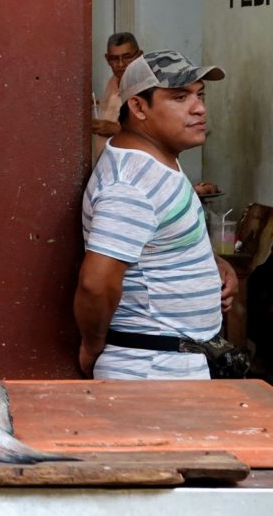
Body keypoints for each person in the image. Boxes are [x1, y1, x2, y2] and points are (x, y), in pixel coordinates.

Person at [75, 50, 239, 380]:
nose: (199, 108)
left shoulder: (158, 159)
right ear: (138, 107)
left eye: (199, 94)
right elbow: (96, 283)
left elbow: (159, 238)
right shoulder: (131, 184)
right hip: (152, 369)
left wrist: (213, 265)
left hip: (172, 363)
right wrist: (93, 347)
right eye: (180, 97)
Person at [91, 32, 142, 164]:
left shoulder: (147, 88)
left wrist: (116, 130)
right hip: (104, 167)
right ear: (107, 59)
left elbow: (157, 133)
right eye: (114, 58)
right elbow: (112, 108)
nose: (120, 64)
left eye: (127, 57)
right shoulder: (112, 82)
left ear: (139, 55)